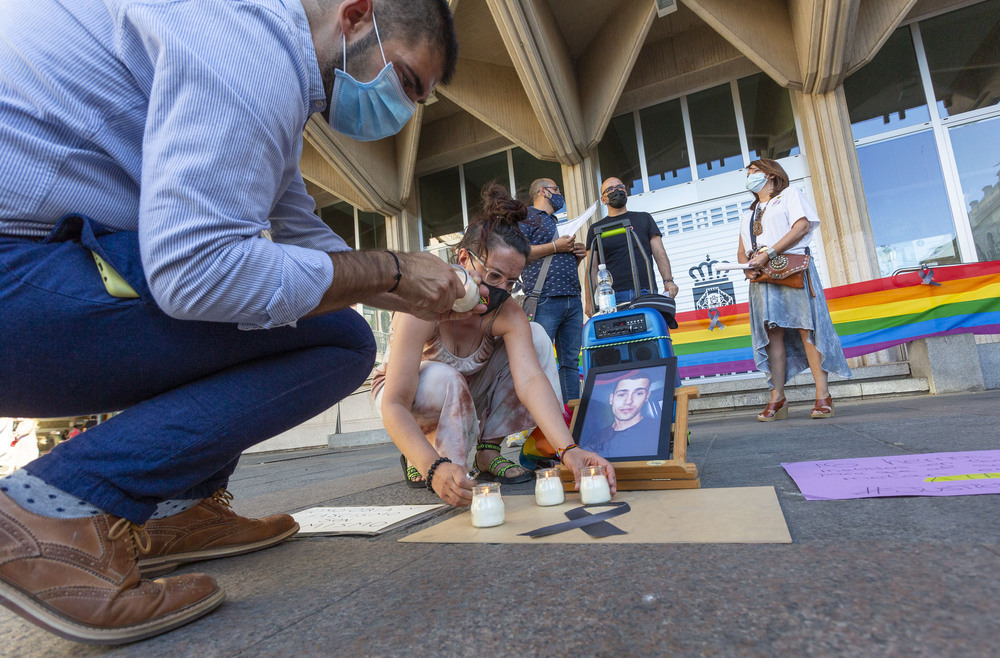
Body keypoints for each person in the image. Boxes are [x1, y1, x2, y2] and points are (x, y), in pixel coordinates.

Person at [0, 0, 464, 644]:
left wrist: (410, 288)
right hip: (17, 279)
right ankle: (50, 512)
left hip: (32, 275)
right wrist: (391, 271)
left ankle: (173, 512)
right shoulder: (254, 45)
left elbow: (301, 237)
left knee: (312, 312)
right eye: (406, 80)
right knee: (335, 340)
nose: (402, 108)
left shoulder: (253, 43)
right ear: (357, 15)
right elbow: (196, 269)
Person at [372, 183, 617, 505]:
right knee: (445, 378)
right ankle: (432, 454)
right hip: (411, 395)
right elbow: (395, 402)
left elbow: (530, 380)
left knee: (537, 336)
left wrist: (569, 450)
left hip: (469, 394)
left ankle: (488, 452)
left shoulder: (506, 311)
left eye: (512, 282)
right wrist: (433, 468)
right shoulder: (425, 303)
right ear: (463, 258)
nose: (501, 289)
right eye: (493, 276)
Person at [736, 158, 851, 421]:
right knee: (772, 333)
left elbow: (801, 226)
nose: (749, 176)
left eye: (755, 171)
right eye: (748, 173)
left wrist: (770, 253)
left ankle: (823, 395)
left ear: (772, 175)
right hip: (762, 276)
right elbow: (742, 250)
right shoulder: (748, 213)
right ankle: (778, 397)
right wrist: (746, 266)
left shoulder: (789, 195)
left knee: (805, 328)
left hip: (793, 269)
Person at [518, 178, 587, 403]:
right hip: (544, 298)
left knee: (570, 362)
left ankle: (570, 418)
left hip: (572, 299)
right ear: (542, 191)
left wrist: (573, 256)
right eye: (556, 189)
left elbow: (551, 261)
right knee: (539, 362)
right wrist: (557, 246)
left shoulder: (556, 222)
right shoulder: (525, 218)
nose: (560, 194)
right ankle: (542, 421)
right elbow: (521, 253)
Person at [585, 177, 680, 315]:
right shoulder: (595, 229)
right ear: (603, 199)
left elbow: (659, 253)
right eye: (610, 189)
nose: (616, 191)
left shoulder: (644, 218)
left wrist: (668, 280)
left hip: (645, 292)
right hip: (612, 297)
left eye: (620, 187)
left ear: (626, 192)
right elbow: (591, 268)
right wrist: (588, 302)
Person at [580, 373, 660, 459]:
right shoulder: (597, 436)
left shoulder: (656, 428)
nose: (628, 401)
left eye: (638, 393)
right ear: (611, 399)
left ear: (647, 397)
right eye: (622, 394)